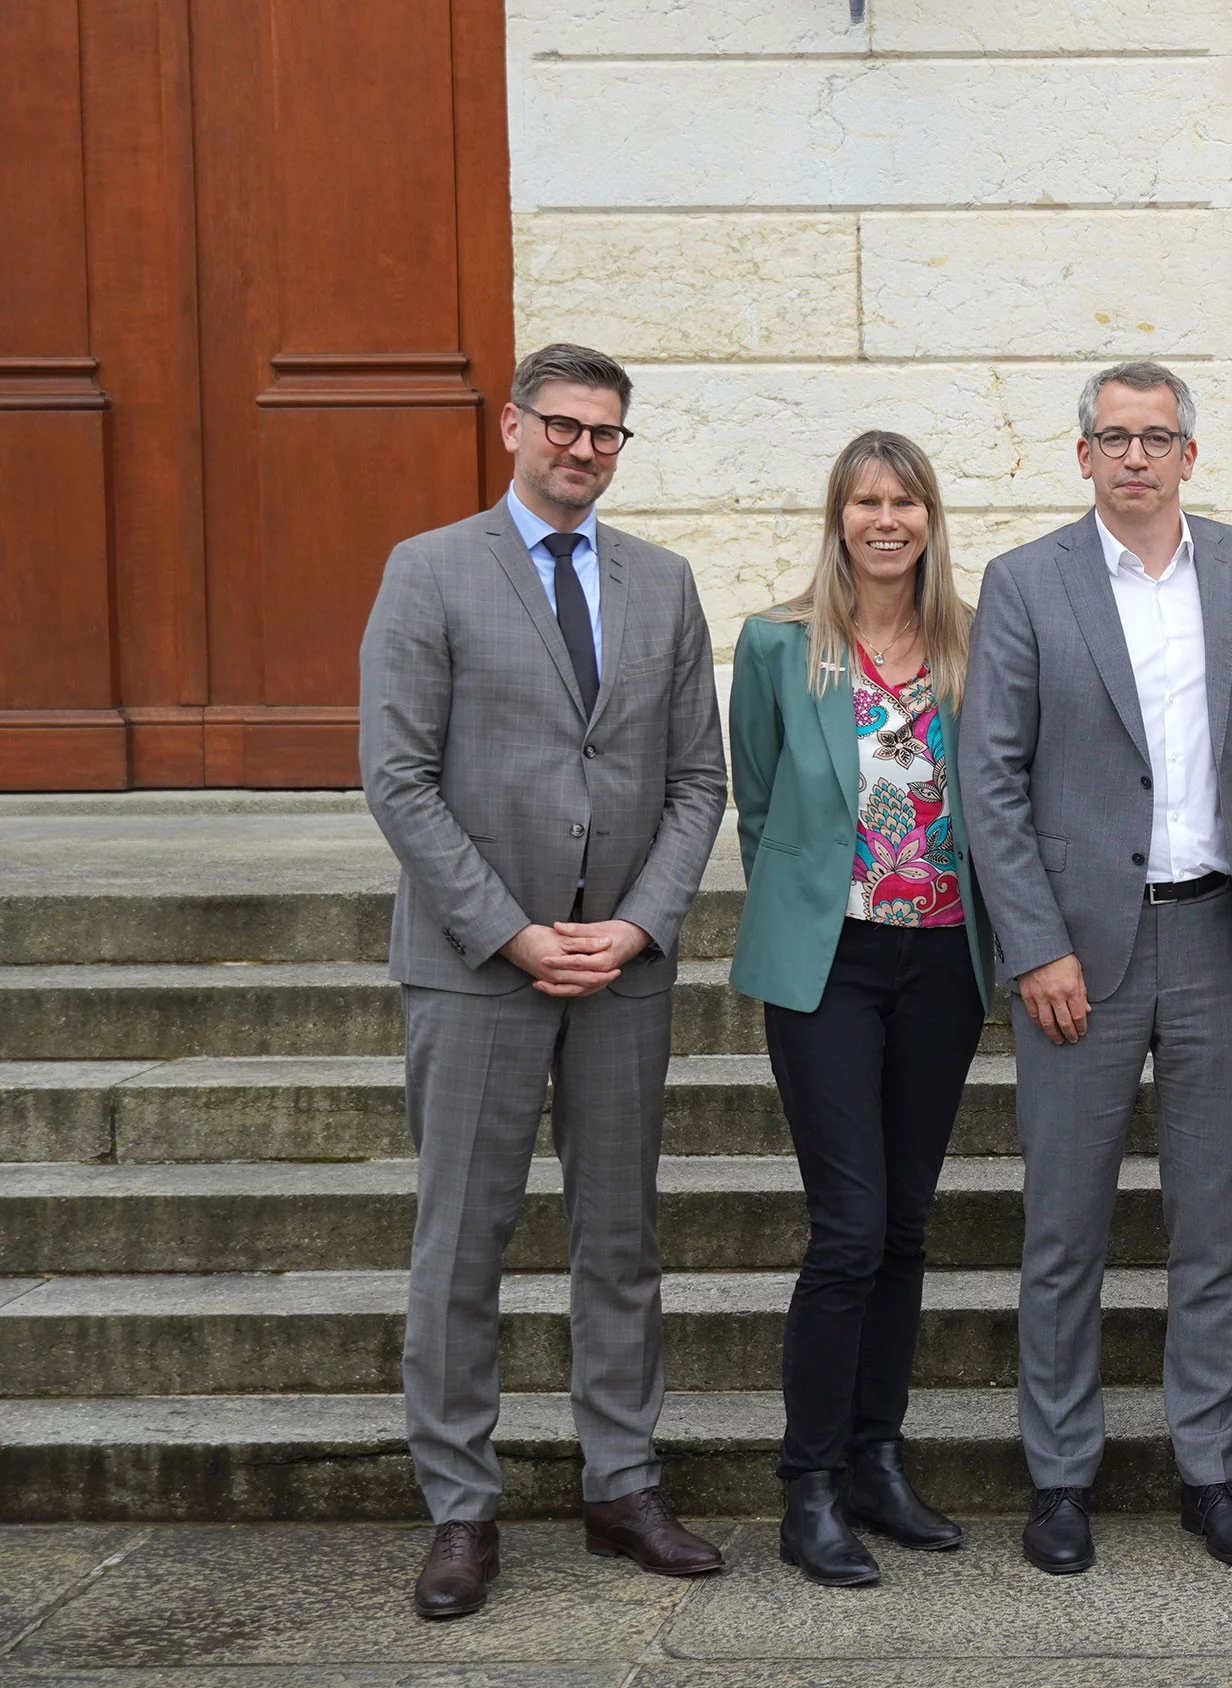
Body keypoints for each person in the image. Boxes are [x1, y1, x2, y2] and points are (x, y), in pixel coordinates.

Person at [358, 343, 728, 1619]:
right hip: (478, 971)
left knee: (619, 1241)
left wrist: (634, 926)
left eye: (606, 432)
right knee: (461, 1242)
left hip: (619, 972)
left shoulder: (663, 583)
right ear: (513, 424)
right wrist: (512, 931)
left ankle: (622, 1483)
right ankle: (461, 1506)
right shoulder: (430, 569)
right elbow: (398, 778)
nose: (582, 448)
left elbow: (697, 781)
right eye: (563, 425)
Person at [959, 360, 1232, 1574]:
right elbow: (986, 779)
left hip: (1219, 937)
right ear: (1084, 454)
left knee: (1215, 1226)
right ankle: (1060, 1474)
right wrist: (1035, 942)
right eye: (1116, 438)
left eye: (1159, 438)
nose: (1138, 458)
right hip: (1078, 955)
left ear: (1192, 457)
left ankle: (1209, 1464)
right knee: (1064, 1229)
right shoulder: (1025, 582)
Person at [729, 431, 991, 1586]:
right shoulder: (782, 645)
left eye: (906, 501)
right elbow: (754, 793)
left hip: (941, 961)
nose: (886, 520)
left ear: (931, 517)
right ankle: (811, 1483)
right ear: (837, 517)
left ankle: (880, 1458)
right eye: (865, 502)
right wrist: (814, 900)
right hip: (829, 965)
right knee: (848, 1225)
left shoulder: (975, 641)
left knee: (907, 1224)